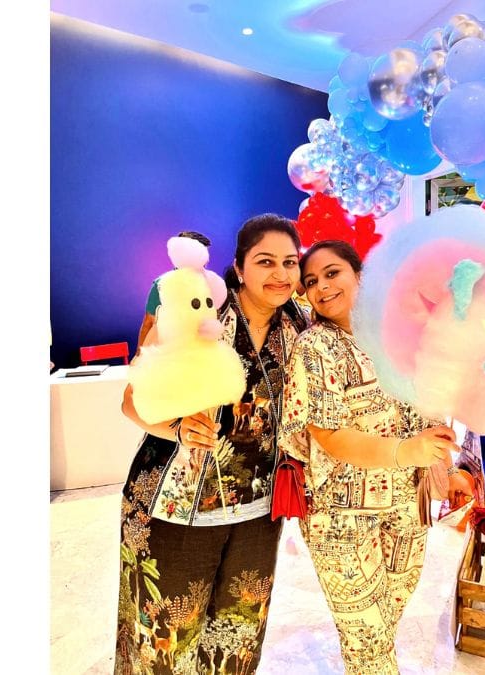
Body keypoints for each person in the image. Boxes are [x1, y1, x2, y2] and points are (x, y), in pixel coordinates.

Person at [115, 215, 309, 675]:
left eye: (289, 262)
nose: (280, 274)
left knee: (237, 638)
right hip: (175, 506)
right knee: (165, 642)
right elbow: (131, 401)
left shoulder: (298, 326)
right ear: (239, 267)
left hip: (258, 513)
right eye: (265, 262)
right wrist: (178, 427)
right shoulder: (197, 313)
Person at [278, 239, 465, 674]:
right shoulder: (314, 347)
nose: (322, 287)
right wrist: (407, 451)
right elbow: (329, 435)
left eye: (332, 273)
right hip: (341, 517)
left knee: (385, 622)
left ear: (359, 276)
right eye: (311, 281)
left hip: (408, 507)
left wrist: (447, 467)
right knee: (367, 639)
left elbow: (428, 407)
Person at [136, 230, 212, 354]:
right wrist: (139, 355)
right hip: (171, 353)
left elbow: (148, 322)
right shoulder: (162, 285)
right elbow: (148, 322)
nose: (205, 260)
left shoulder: (210, 283)